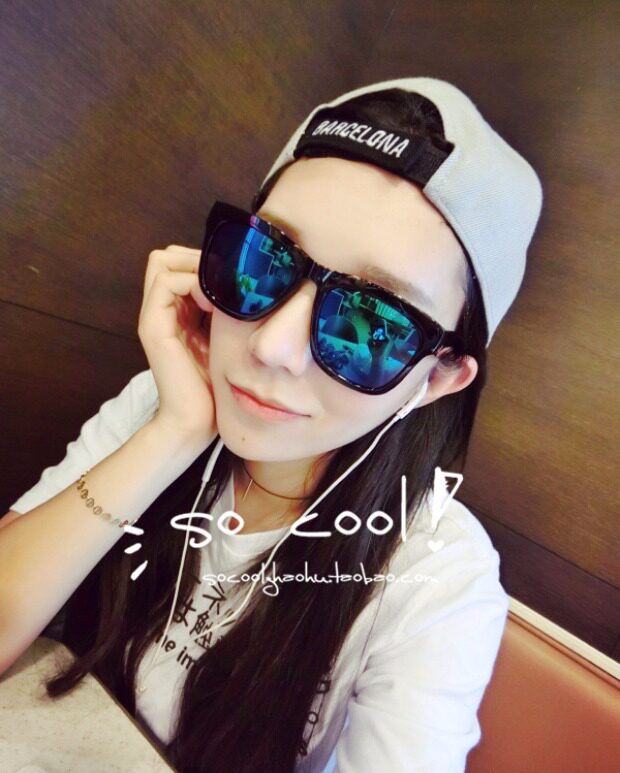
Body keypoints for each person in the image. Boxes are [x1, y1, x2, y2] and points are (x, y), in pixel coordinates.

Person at [0, 77, 543, 772]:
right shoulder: (165, 403)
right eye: (266, 260)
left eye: (370, 324)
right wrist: (174, 433)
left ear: (436, 378)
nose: (271, 348)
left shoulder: (439, 575)